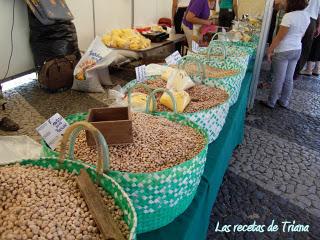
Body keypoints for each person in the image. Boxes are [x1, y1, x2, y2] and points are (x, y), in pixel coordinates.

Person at [264, 0, 310, 109]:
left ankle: (271, 102)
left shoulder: (288, 16)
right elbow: (302, 35)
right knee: (289, 78)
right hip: (297, 48)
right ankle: (284, 101)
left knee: (278, 78)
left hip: (283, 50)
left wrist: (269, 50)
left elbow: (280, 37)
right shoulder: (306, 15)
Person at [295, 0, 320, 78]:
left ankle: (293, 71)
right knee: (306, 47)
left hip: (301, 15)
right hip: (313, 20)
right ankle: (295, 72)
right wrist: (318, 26)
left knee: (296, 43)